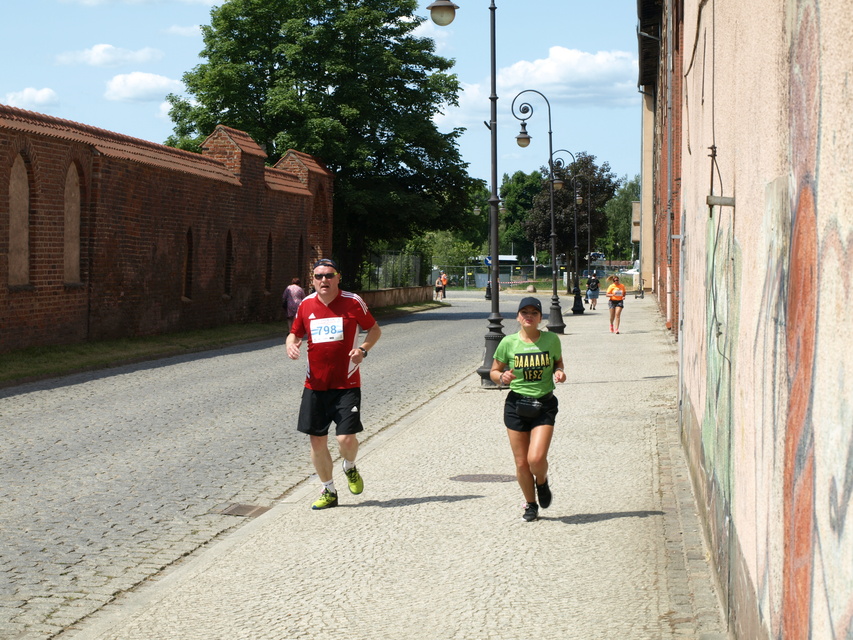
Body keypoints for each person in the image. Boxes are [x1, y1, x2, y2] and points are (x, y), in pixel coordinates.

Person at [285, 258, 382, 510]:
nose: (323, 280)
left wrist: (362, 350)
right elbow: (295, 332)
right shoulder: (306, 304)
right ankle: (328, 489)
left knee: (345, 440)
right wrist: (290, 343)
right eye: (318, 276)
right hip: (314, 385)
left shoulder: (353, 302)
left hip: (346, 383)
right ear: (312, 280)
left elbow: (374, 330)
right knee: (317, 440)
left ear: (338, 278)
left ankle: (349, 466)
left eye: (329, 275)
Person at [490, 297, 566, 522]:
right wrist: (501, 377)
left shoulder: (551, 340)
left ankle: (541, 482)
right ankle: (530, 505)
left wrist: (559, 372)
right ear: (518, 317)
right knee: (522, 462)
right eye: (524, 312)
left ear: (541, 318)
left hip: (544, 404)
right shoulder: (508, 343)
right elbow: (494, 371)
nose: (529, 316)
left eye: (534, 312)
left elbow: (558, 363)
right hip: (516, 405)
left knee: (536, 458)